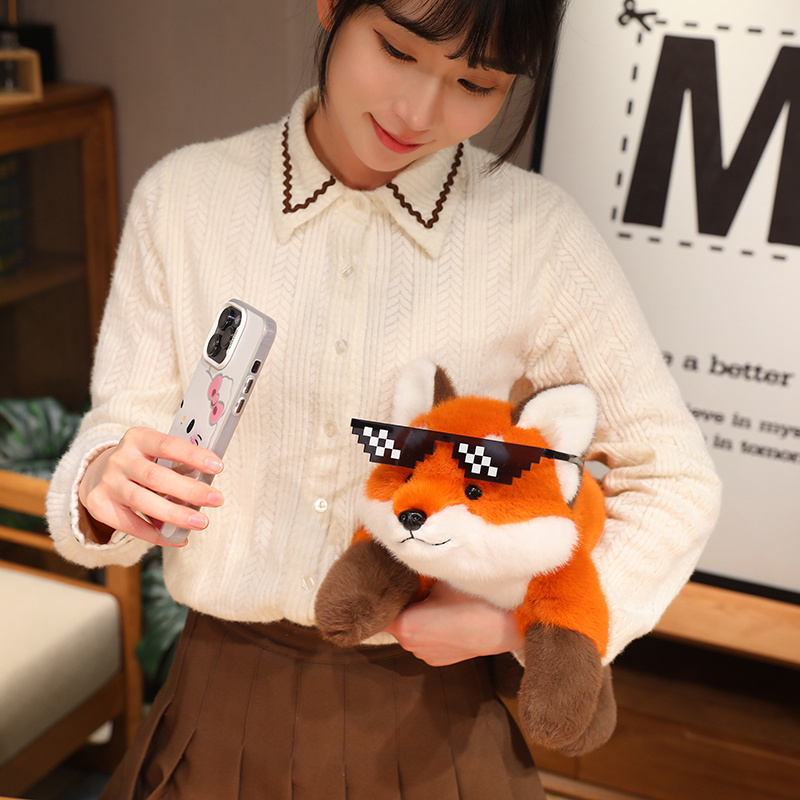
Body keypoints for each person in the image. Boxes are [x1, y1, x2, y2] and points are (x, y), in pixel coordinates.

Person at [46, 0, 721, 797]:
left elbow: (674, 479)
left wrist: (523, 625)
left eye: (476, 82)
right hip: (217, 697)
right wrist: (102, 483)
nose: (419, 112)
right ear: (333, 7)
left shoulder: (538, 238)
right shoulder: (185, 199)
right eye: (398, 51)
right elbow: (121, 426)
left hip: (431, 719)